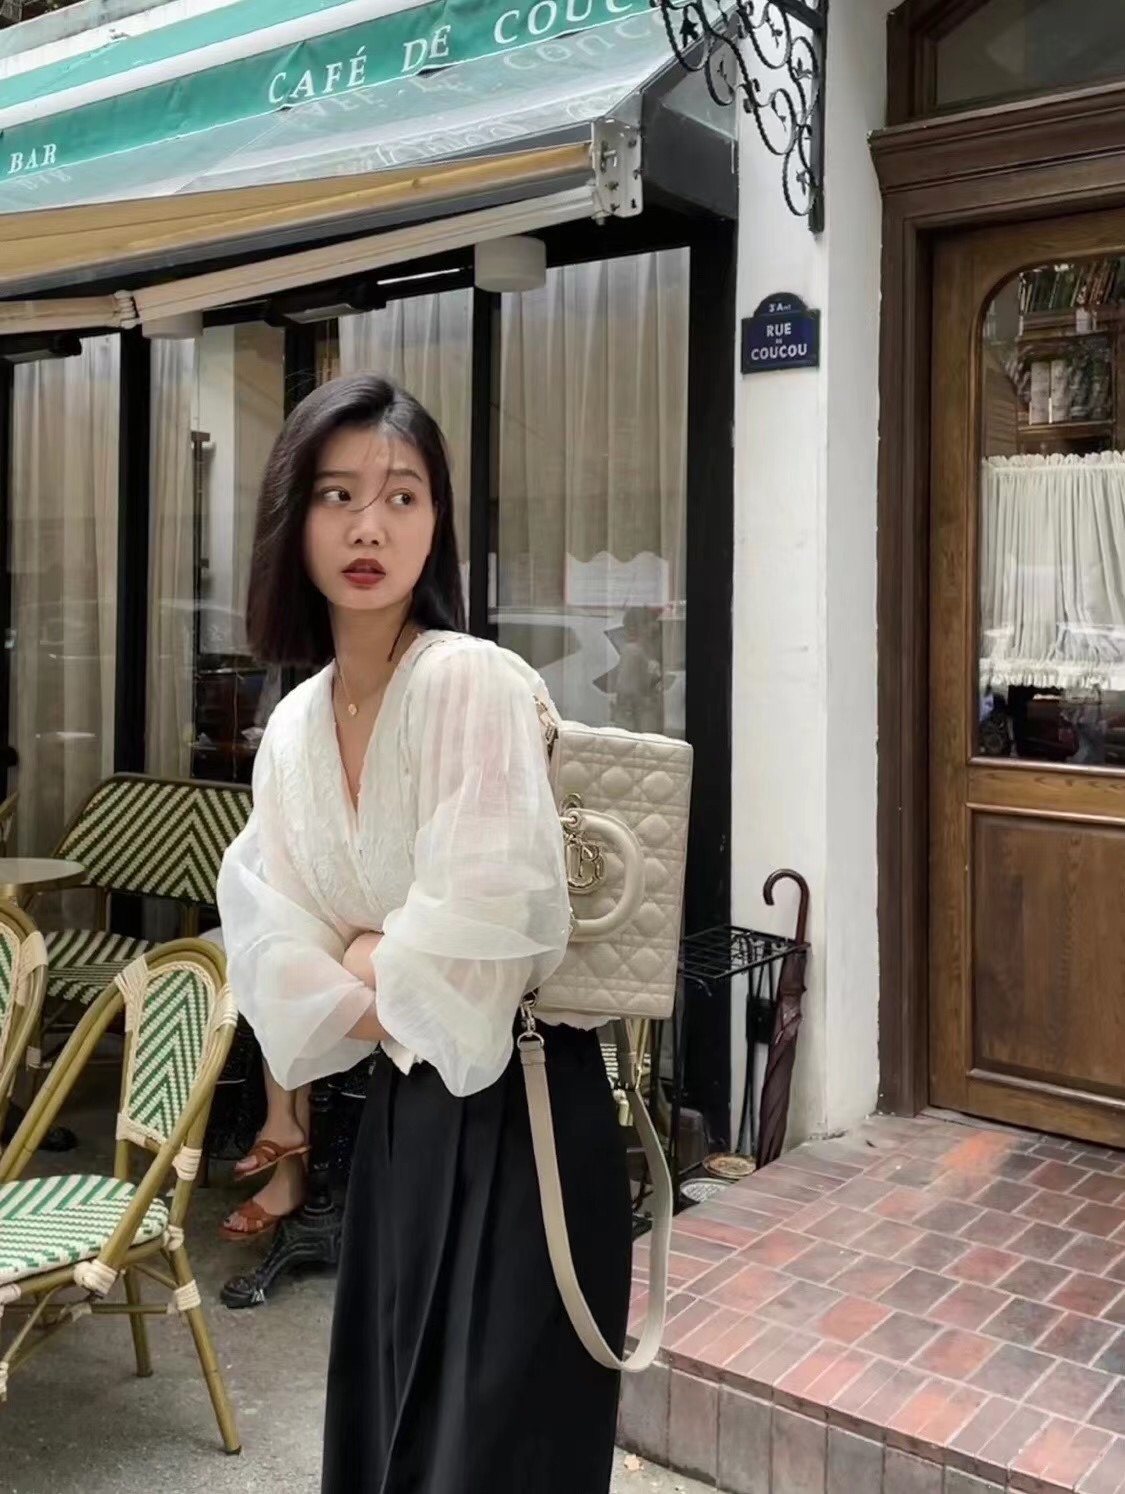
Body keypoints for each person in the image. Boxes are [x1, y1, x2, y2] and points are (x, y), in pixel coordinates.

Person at [216, 374, 632, 1493]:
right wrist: (390, 964)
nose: (370, 526)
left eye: (403, 496)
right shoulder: (291, 727)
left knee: (492, 1454)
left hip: (525, 1115)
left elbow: (473, 980)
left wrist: (365, 955)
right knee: (393, 1436)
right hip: (401, 1117)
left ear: (438, 522)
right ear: (293, 517)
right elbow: (267, 953)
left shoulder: (469, 682)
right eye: (338, 494)